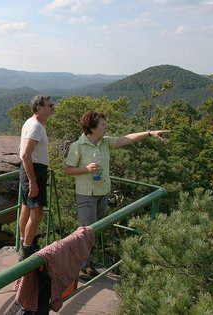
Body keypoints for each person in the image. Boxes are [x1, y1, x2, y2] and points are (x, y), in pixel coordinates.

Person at [64, 110, 169, 280]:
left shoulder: (105, 143)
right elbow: (67, 170)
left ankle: (87, 264)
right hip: (86, 194)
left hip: (102, 192)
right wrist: (86, 169)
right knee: (85, 231)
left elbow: (127, 138)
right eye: (103, 124)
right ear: (92, 128)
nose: (106, 127)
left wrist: (150, 133)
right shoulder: (78, 146)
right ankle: (79, 266)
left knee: (95, 232)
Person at [18, 95, 55, 261]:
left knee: (26, 207)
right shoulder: (36, 127)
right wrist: (33, 182)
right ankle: (26, 251)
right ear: (38, 108)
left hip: (29, 170)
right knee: (37, 212)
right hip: (34, 170)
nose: (52, 108)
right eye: (49, 105)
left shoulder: (31, 123)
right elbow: (26, 155)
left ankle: (25, 242)